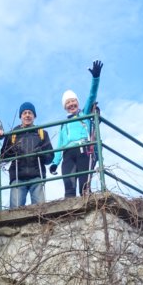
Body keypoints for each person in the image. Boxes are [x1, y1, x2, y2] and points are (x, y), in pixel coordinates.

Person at [49, 60, 103, 197]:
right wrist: (55, 163)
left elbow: (92, 95)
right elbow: (60, 145)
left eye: (73, 101)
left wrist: (95, 78)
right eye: (68, 102)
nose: (71, 104)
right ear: (65, 106)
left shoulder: (84, 114)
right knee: (69, 189)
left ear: (77, 102)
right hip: (68, 154)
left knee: (84, 188)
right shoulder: (64, 124)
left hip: (83, 150)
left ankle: (88, 208)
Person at [1, 102, 53, 208]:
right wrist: (12, 151)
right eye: (24, 113)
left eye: (30, 113)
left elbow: (50, 157)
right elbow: (3, 156)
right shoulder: (13, 134)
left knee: (40, 209)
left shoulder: (42, 133)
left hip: (36, 176)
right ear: (20, 116)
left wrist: (41, 153)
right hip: (18, 176)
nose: (27, 115)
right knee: (15, 210)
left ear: (34, 116)